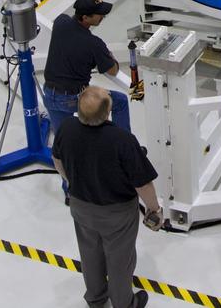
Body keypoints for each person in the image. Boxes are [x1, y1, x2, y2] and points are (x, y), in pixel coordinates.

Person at [53, 86, 160, 308]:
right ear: (107, 112)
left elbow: (58, 160)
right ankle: (124, 303)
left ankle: (95, 298)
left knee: (89, 253)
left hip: (81, 206)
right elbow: (142, 183)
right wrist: (153, 209)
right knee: (120, 259)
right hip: (117, 213)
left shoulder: (66, 129)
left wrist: (71, 182)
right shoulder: (122, 140)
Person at [44, 0, 132, 199]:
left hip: (50, 94)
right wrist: (109, 55)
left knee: (63, 142)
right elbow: (111, 70)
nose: (102, 17)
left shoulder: (61, 22)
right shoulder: (94, 44)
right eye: (98, 14)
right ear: (85, 18)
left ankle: (69, 191)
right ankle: (124, 151)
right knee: (119, 102)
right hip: (73, 98)